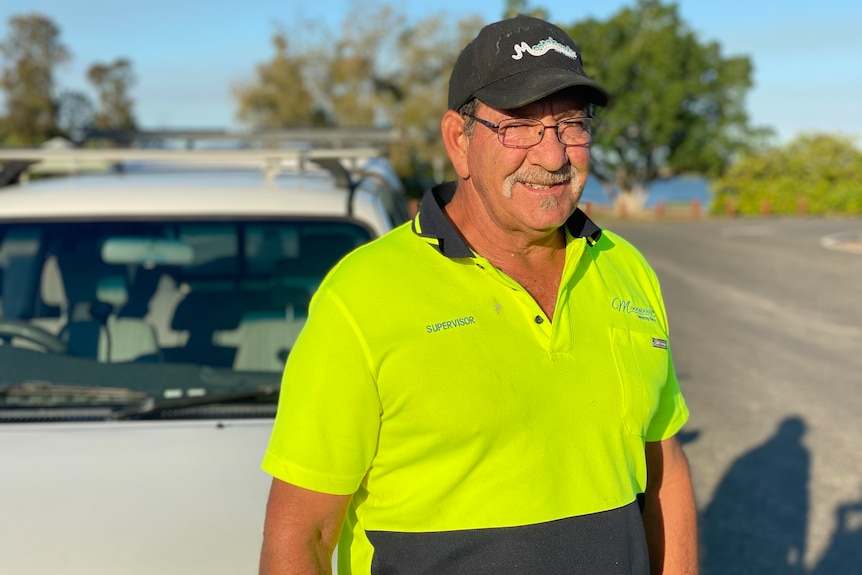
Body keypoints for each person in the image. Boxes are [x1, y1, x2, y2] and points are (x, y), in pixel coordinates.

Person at [259, 14, 698, 575]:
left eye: (570, 124)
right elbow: (302, 538)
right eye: (519, 125)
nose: (552, 155)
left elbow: (664, 467)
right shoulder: (362, 296)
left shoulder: (626, 269)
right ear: (458, 141)